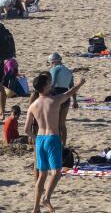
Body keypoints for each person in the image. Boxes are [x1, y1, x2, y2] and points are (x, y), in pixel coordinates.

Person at [26, 72, 83, 213]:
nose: (51, 85)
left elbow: (27, 130)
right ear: (45, 86)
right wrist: (81, 83)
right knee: (57, 172)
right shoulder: (55, 100)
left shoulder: (33, 105)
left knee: (42, 174)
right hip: (52, 138)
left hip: (40, 139)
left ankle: (35, 208)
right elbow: (70, 92)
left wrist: (35, 138)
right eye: (49, 83)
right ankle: (46, 198)